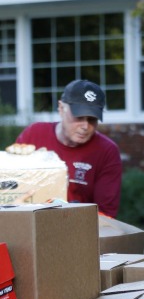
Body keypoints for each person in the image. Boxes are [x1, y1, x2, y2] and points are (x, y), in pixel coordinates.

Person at [16, 79, 122, 217]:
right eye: (79, 117)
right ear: (61, 108)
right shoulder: (34, 134)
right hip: (28, 223)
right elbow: (11, 190)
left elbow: (106, 215)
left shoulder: (107, 151)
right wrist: (13, 160)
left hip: (77, 230)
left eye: (92, 119)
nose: (85, 126)